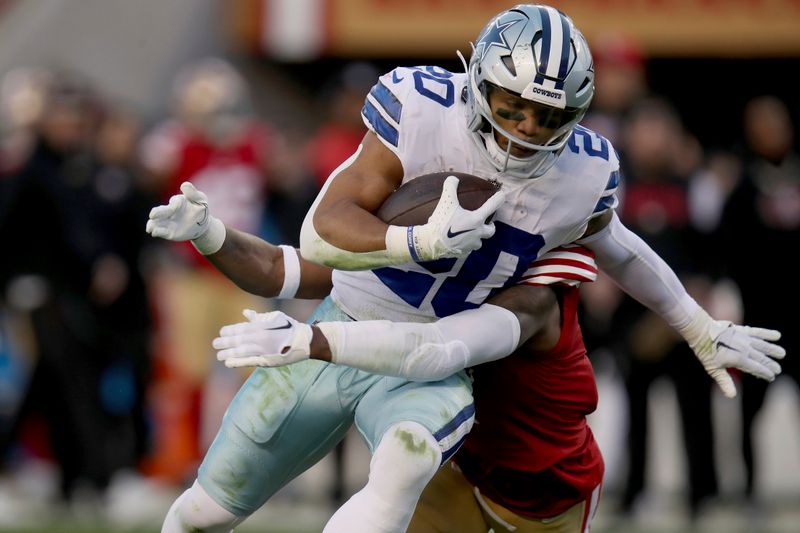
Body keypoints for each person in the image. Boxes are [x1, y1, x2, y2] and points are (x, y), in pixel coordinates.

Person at [148, 4, 784, 532]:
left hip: (438, 359)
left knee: (406, 461)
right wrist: (414, 243)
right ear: (477, 81)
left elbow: (620, 247)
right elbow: (320, 232)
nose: (526, 131)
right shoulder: (422, 110)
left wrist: (698, 325)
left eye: (548, 116)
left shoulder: (582, 176)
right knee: (206, 512)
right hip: (356, 316)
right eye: (511, 107)